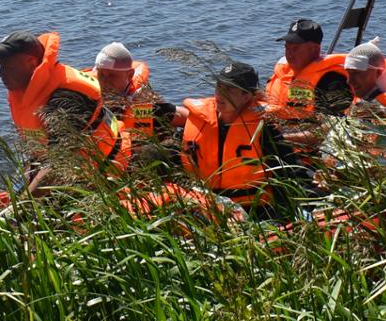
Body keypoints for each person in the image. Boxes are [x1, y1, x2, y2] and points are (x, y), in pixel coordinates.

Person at [0, 31, 121, 172]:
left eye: (8, 68)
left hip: (109, 173)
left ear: (31, 63)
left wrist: (21, 194)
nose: (0, 74)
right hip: (74, 170)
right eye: (0, 66)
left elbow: (59, 162)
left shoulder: (65, 99)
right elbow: (42, 156)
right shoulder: (25, 91)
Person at [178, 61, 300, 219]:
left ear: (247, 95)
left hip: (254, 210)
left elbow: (290, 170)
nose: (219, 95)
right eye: (218, 87)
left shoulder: (263, 128)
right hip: (206, 205)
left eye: (228, 89)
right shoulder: (201, 121)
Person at [87, 42, 169, 163]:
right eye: (101, 75)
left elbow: (183, 117)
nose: (104, 82)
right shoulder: (89, 102)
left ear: (130, 75)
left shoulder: (146, 103)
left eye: (111, 75)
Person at [263, 18, 349, 128]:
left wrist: (282, 138)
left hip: (301, 142)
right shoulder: (281, 73)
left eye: (295, 49)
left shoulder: (332, 81)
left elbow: (334, 128)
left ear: (314, 49)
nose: (289, 54)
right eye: (287, 48)